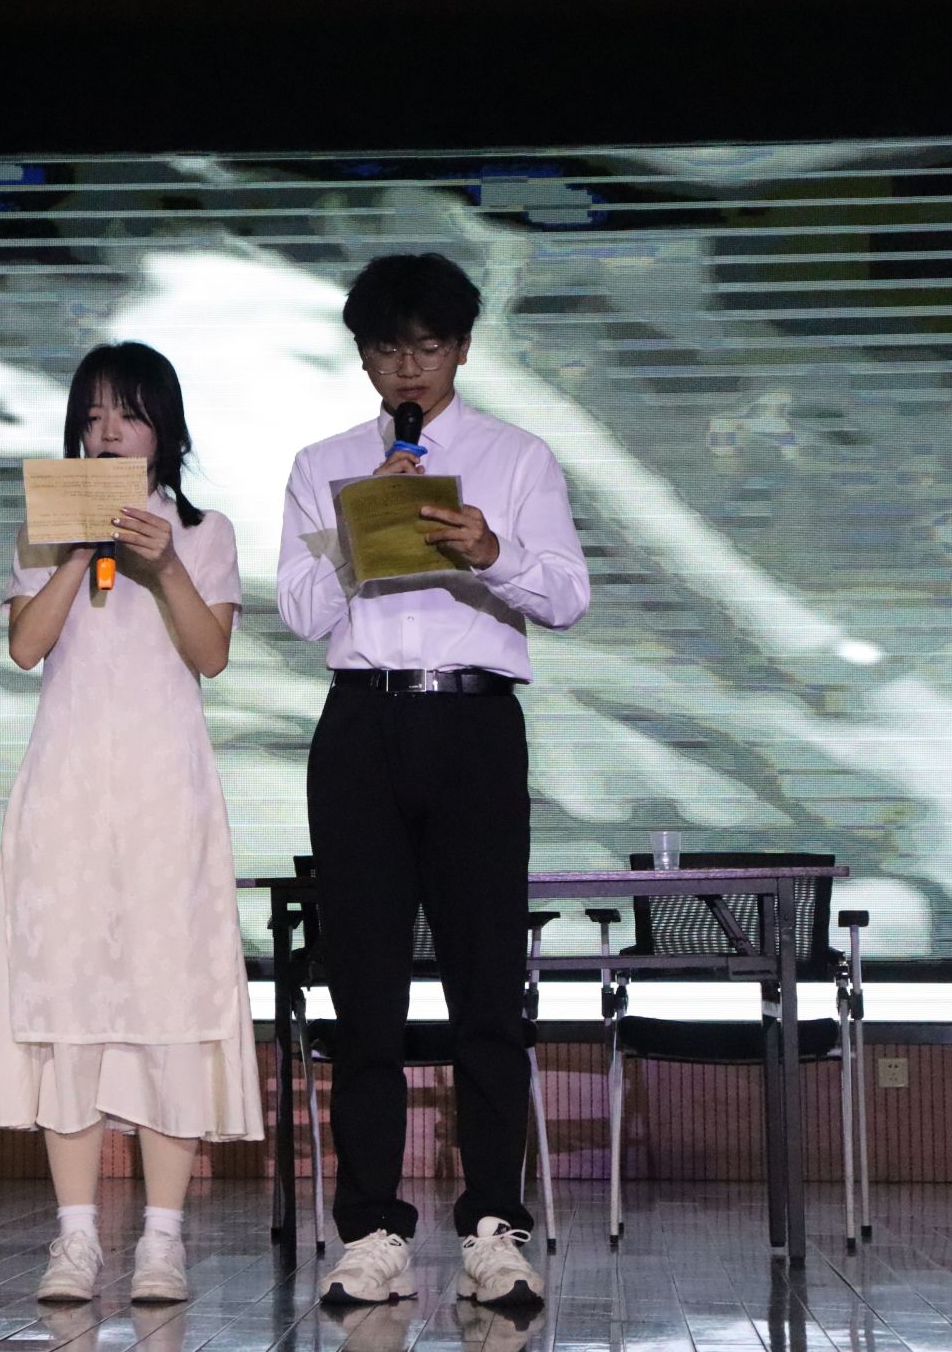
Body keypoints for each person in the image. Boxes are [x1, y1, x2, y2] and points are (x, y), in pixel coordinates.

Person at [276, 254, 591, 1306]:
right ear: (363, 359)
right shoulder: (324, 463)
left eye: (425, 346)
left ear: (459, 349)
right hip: (361, 723)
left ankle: (494, 1225)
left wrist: (490, 550)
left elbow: (567, 597)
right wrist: (358, 538)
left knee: (484, 989)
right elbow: (299, 613)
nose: (406, 368)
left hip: (474, 723)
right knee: (364, 992)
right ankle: (371, 1230)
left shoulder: (516, 457)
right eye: (386, 349)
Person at [0, 341, 262, 1304]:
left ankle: (162, 1238)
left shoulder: (207, 531)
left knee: (167, 1004)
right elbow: (26, 648)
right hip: (65, 795)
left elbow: (210, 653)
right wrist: (73, 553)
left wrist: (162, 561)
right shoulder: (39, 530)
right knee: (68, 1002)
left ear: (163, 430)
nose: (107, 431)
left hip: (162, 799)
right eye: (94, 414)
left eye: (129, 413)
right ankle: (74, 1238)